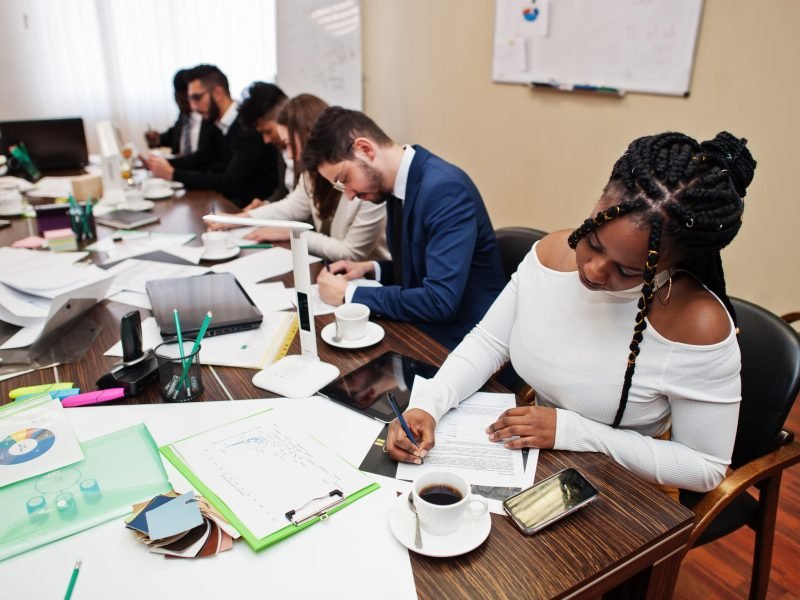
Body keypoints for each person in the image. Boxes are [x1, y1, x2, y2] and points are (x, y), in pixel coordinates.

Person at [387, 131, 757, 494]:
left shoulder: (695, 324)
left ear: (674, 262)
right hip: (538, 461)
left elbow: (705, 467)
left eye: (629, 271)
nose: (594, 270)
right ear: (598, 202)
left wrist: (574, 432)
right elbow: (488, 342)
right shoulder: (550, 255)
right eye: (592, 241)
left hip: (627, 490)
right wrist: (428, 405)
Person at [303, 107, 506, 349]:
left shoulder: (445, 191)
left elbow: (439, 301)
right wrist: (371, 269)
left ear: (365, 149)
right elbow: (419, 268)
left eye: (344, 179)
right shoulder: (396, 186)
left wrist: (350, 294)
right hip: (425, 327)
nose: (349, 195)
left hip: (466, 341)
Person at [208, 94, 389, 262]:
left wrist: (293, 232)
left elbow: (350, 253)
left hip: (373, 280)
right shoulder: (314, 176)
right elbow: (292, 207)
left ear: (308, 135)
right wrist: (239, 219)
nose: (290, 155)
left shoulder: (366, 182)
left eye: (288, 144)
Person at [141, 65, 280, 208]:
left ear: (218, 93)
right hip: (228, 204)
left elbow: (230, 182)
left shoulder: (246, 126)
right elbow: (200, 159)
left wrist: (173, 174)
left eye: (197, 98)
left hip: (253, 209)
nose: (193, 107)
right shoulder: (213, 123)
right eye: (190, 100)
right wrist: (160, 163)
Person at [237, 81, 289, 204]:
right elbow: (284, 190)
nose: (266, 140)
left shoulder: (310, 149)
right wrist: (265, 205)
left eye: (268, 131)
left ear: (284, 116)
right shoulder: (281, 146)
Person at [144, 69, 203, 156]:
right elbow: (174, 135)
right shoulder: (184, 115)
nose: (179, 105)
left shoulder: (207, 117)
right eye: (176, 99)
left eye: (183, 101)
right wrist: (157, 139)